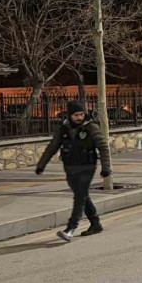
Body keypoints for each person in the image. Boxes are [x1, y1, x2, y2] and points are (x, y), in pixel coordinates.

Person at [36, 101, 112, 242]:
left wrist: (106, 167)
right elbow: (52, 147)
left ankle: (70, 229)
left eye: (81, 114)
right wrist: (41, 165)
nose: (79, 117)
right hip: (70, 168)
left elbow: (103, 147)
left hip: (87, 167)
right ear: (70, 115)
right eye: (76, 115)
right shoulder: (63, 129)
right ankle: (95, 223)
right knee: (83, 197)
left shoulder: (91, 128)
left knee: (79, 197)